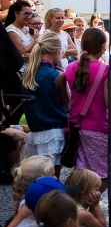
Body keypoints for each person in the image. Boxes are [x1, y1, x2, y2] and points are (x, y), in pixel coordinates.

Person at [65, 28, 110, 192]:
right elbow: (107, 102)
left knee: (82, 171)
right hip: (98, 125)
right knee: (104, 174)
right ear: (103, 46)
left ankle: (76, 206)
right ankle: (86, 205)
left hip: (77, 126)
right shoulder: (105, 70)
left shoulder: (70, 68)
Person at [21, 33, 68, 173]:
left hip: (35, 130)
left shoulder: (27, 74)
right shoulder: (57, 75)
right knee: (52, 174)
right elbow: (66, 102)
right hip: (54, 129)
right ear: (57, 50)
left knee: (35, 175)